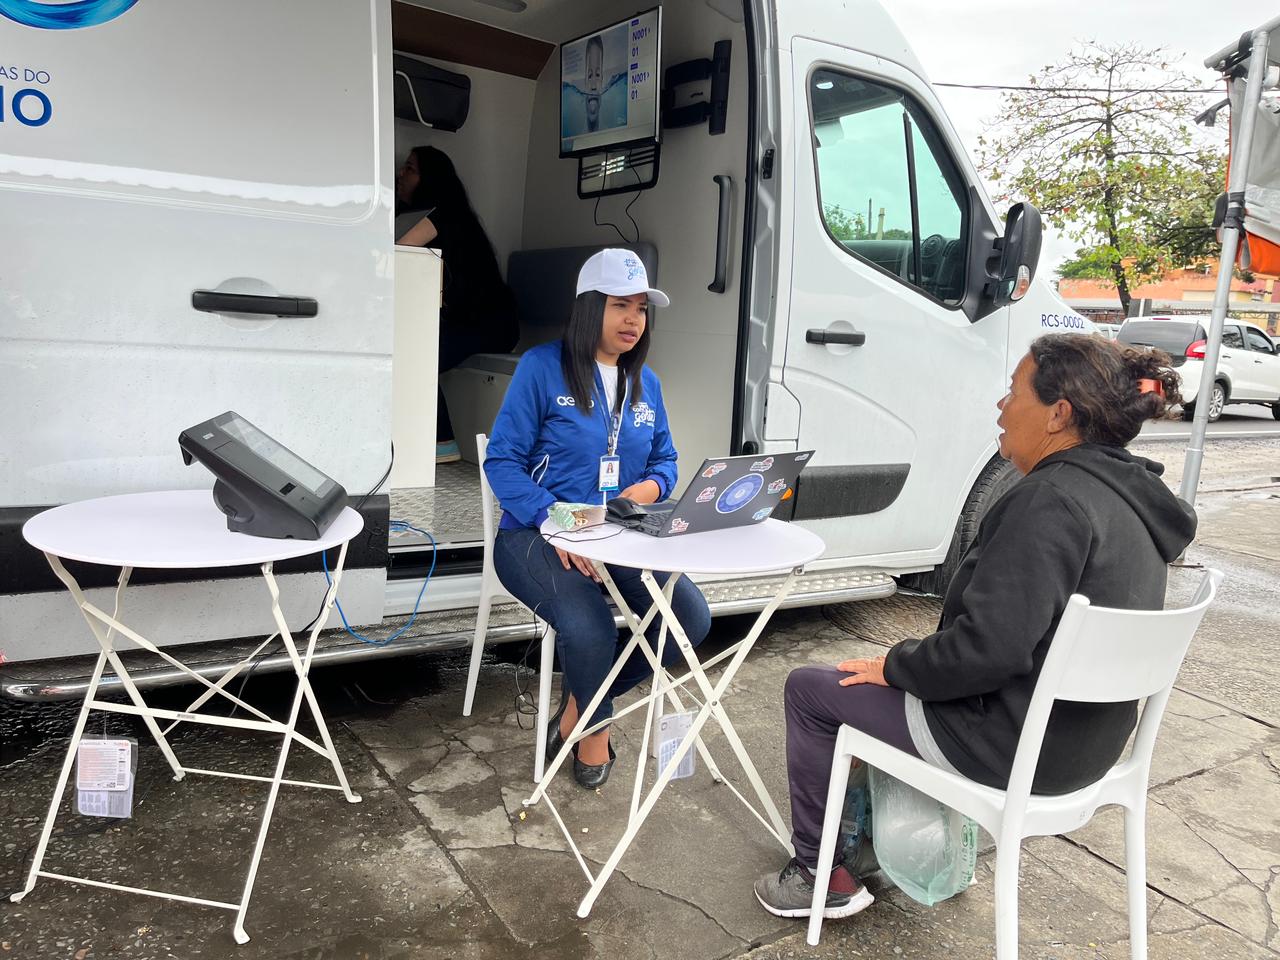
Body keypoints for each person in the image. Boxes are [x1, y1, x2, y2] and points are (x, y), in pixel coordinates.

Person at [753, 334, 1198, 921]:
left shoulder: (1048, 501)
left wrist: (896, 665)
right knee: (888, 681)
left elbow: (986, 653)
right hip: (1089, 748)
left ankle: (819, 875)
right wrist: (910, 666)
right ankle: (868, 852)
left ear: (1058, 414)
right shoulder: (1135, 501)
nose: (1001, 405)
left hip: (1014, 747)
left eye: (1013, 391)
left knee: (814, 691)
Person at [483, 249, 711, 790]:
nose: (634, 319)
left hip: (618, 535)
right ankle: (594, 730)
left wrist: (649, 488)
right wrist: (560, 521)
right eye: (620, 305)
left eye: (641, 308)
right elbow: (501, 461)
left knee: (689, 620)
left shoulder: (646, 382)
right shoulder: (542, 367)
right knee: (589, 628)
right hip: (535, 535)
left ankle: (580, 706)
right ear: (589, 307)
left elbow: (666, 461)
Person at [396, 145, 519, 463]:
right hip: (468, 322)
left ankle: (443, 442)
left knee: (413, 355)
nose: (401, 174)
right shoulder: (426, 217)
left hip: (490, 325)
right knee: (408, 347)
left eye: (410, 169)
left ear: (430, 179)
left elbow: (398, 252)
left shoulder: (444, 215)